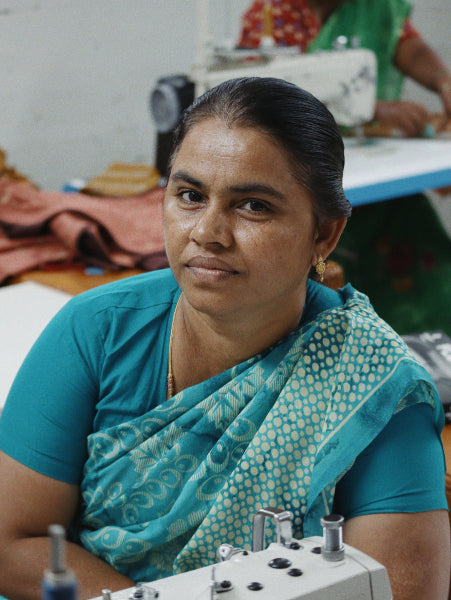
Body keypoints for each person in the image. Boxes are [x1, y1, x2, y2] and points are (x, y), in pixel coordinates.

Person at [0, 77, 449, 600]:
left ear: (324, 234)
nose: (208, 232)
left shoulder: (373, 388)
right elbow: (15, 542)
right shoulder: (96, 331)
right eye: (190, 195)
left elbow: (402, 592)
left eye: (253, 206)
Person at [238, 0, 451, 137]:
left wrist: (445, 82)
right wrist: (370, 109)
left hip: (368, 151)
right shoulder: (270, 15)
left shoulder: (372, 6)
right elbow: (268, 102)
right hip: (300, 161)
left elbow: (410, 50)